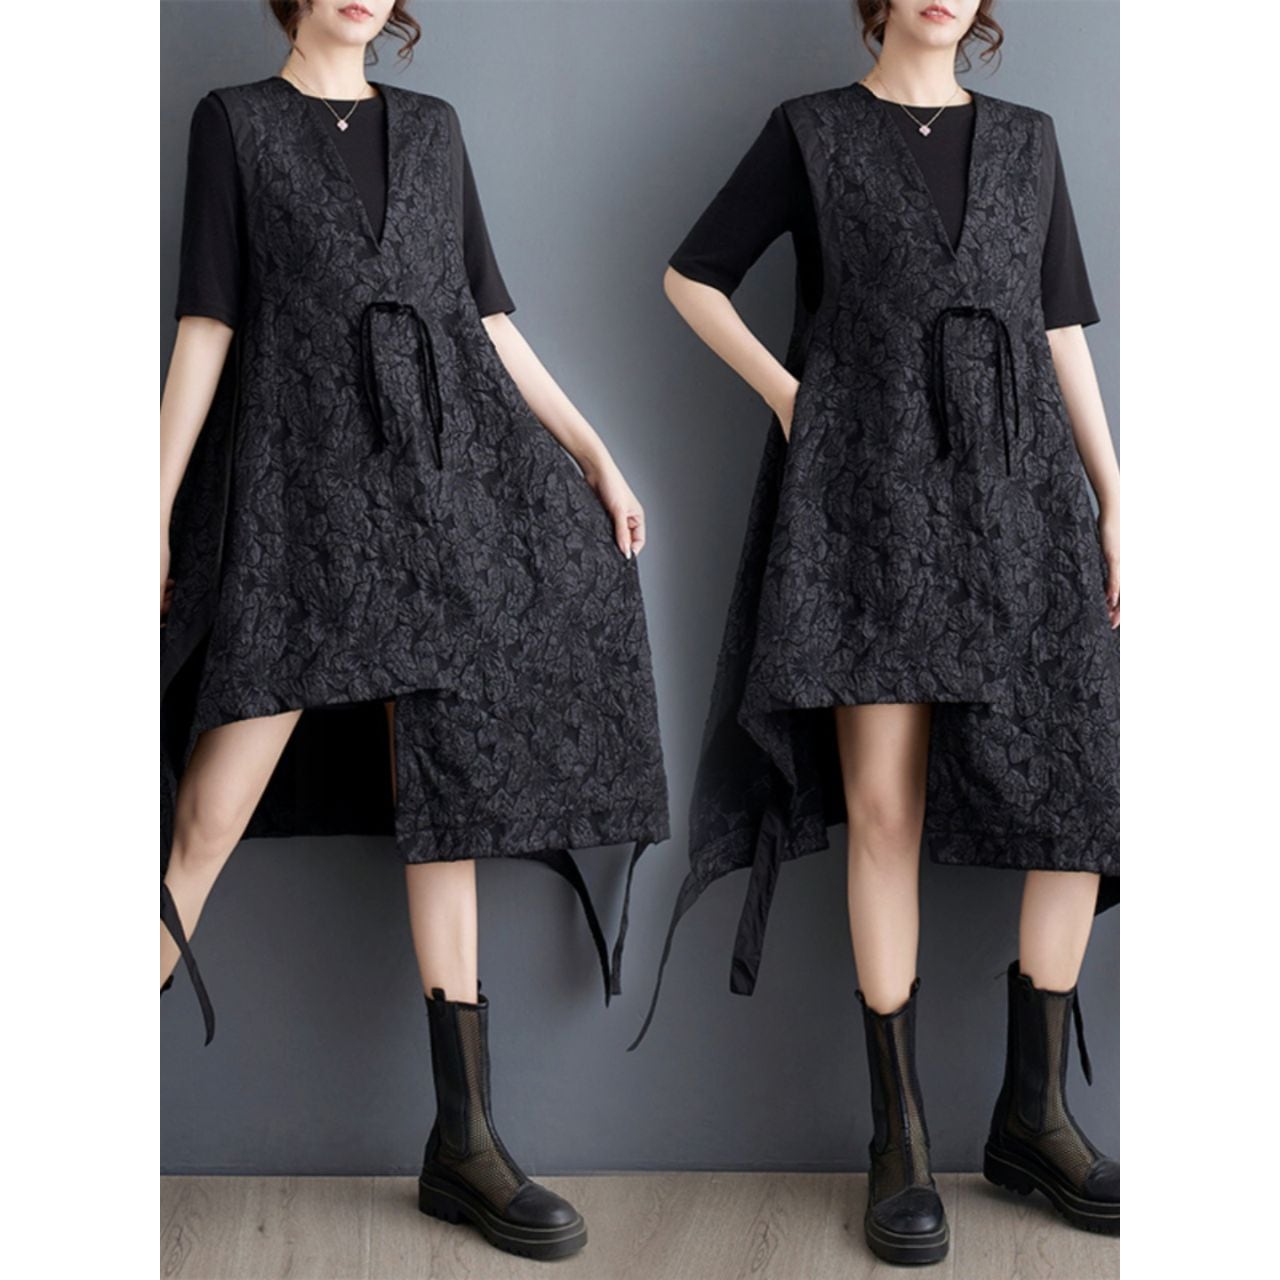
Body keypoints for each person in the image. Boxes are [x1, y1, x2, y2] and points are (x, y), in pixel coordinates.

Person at [159, 0, 668, 1261]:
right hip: (300, 512)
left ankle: (466, 1143)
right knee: (206, 817)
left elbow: (483, 321)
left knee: (447, 797)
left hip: (444, 507)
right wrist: (151, 513)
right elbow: (208, 327)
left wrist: (592, 453)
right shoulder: (235, 124)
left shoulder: (433, 130)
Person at [638, 0, 1119, 1263]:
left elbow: (1056, 327)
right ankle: (897, 1135)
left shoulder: (1027, 140)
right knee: (883, 807)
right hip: (869, 511)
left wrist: (1114, 494)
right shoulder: (811, 133)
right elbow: (689, 276)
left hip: (1021, 508)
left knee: (1077, 790)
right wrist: (791, 394)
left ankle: (1032, 1116)